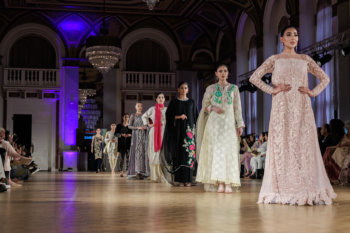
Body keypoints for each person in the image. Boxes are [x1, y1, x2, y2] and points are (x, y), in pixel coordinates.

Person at [249, 25, 336, 205]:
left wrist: (313, 92)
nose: (293, 37)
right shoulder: (275, 59)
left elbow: (325, 78)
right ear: (281, 39)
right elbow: (254, 77)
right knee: (283, 144)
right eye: (288, 35)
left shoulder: (305, 59)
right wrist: (272, 90)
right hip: (281, 107)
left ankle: (304, 185)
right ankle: (283, 188)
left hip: (302, 107)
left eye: (295, 34)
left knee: (302, 145)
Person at [196, 64, 245, 193]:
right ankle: (220, 182)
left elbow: (237, 108)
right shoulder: (210, 88)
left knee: (229, 151)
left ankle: (228, 181)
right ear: (216, 73)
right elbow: (204, 105)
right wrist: (212, 108)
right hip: (215, 124)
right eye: (220, 71)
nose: (223, 73)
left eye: (225, 71)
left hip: (229, 123)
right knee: (217, 151)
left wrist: (240, 124)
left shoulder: (234, 89)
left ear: (228, 73)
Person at [160, 82, 199, 187]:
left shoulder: (192, 102)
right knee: (179, 155)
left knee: (189, 155)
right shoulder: (174, 102)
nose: (183, 90)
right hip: (177, 133)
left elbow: (196, 118)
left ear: (188, 90)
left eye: (185, 88)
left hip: (189, 133)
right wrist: (178, 116)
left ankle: (188, 179)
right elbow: (168, 117)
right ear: (178, 89)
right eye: (181, 88)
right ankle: (180, 180)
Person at [142, 93, 168, 183]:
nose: (161, 99)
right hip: (154, 131)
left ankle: (163, 175)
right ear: (156, 99)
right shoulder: (152, 109)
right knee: (154, 151)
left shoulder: (166, 110)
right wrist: (149, 124)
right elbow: (144, 116)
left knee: (163, 152)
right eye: (159, 97)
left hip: (164, 131)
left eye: (162, 97)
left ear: (164, 99)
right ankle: (154, 176)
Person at [128, 103, 149, 179]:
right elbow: (129, 126)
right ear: (135, 107)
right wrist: (138, 127)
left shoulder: (145, 116)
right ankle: (136, 171)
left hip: (143, 136)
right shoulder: (133, 115)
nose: (140, 107)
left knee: (143, 153)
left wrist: (146, 127)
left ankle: (142, 172)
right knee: (136, 153)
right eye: (138, 106)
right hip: (136, 136)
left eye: (141, 106)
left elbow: (148, 125)